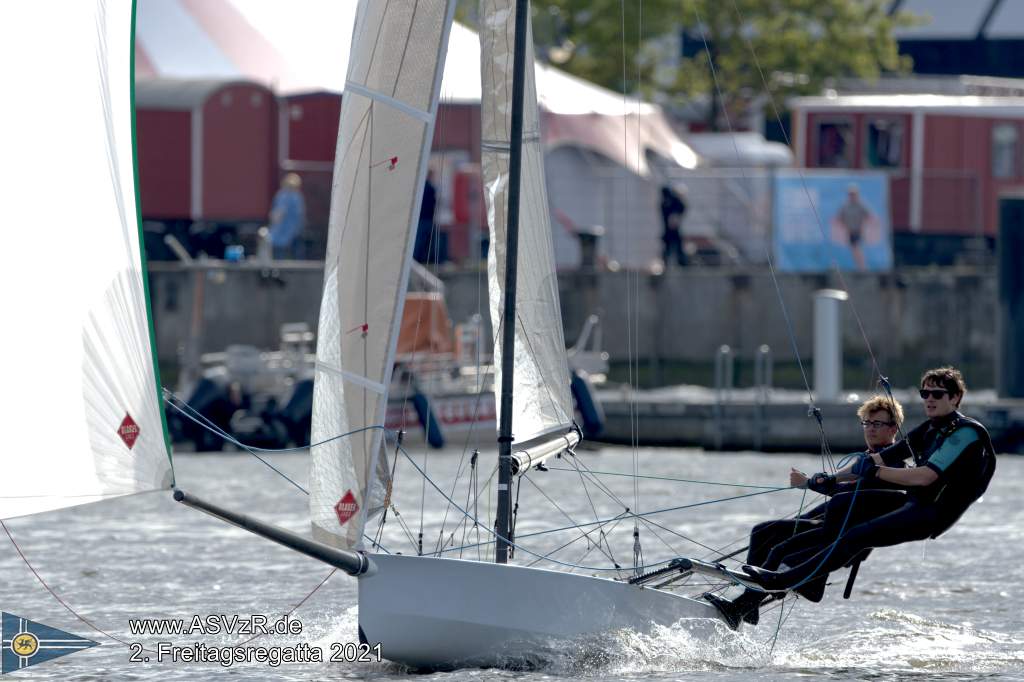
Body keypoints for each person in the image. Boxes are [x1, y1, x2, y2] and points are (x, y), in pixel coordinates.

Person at [739, 367, 996, 602]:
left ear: (955, 398)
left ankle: (784, 580)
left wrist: (875, 470)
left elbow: (925, 476)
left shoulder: (965, 433)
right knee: (843, 512)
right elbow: (880, 457)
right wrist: (831, 479)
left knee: (856, 537)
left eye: (937, 394)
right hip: (915, 502)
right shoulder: (930, 428)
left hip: (933, 514)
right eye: (924, 392)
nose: (929, 398)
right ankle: (776, 587)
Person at [705, 396, 905, 629]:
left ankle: (744, 605)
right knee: (763, 532)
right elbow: (844, 492)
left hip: (844, 535)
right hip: (830, 523)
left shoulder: (894, 465)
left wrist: (810, 483)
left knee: (781, 550)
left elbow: (854, 496)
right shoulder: (865, 458)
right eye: (866, 423)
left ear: (893, 429)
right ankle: (750, 603)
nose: (870, 429)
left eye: (877, 424)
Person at [830, 184, 878, 271]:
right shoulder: (845, 206)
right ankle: (860, 266)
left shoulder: (861, 205)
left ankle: (862, 266)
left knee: (856, 248)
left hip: (858, 230)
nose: (852, 196)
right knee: (854, 249)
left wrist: (870, 225)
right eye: (850, 194)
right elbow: (838, 218)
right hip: (849, 231)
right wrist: (841, 224)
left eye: (854, 194)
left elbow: (870, 216)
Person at [269, 173, 306, 260]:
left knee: (284, 249)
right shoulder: (289, 196)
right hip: (286, 228)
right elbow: (279, 212)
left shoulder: (288, 196)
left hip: (289, 228)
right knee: (284, 249)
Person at [659, 185, 687, 268]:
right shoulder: (668, 203)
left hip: (671, 231)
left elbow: (682, 208)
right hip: (670, 231)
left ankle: (680, 262)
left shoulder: (668, 203)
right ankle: (679, 263)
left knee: (674, 248)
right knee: (671, 248)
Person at [413, 170, 438, 264]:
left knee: (420, 240)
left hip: (422, 218)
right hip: (427, 219)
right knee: (424, 241)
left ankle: (417, 259)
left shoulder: (421, 188)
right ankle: (422, 259)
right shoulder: (430, 188)